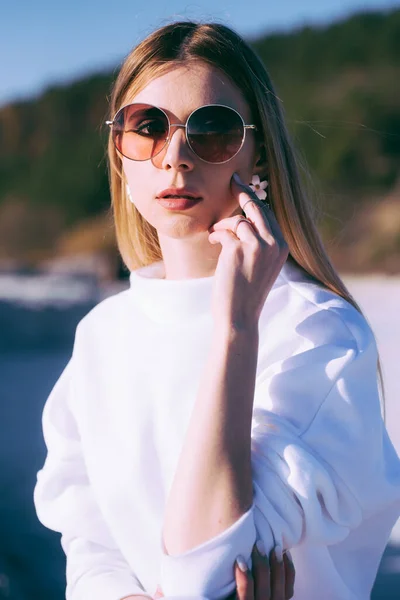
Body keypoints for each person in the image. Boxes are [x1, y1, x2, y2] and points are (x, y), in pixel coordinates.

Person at [33, 19, 400, 600]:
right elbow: (88, 533)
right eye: (146, 128)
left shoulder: (320, 336)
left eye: (211, 130)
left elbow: (205, 574)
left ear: (259, 156)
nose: (175, 157)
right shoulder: (103, 334)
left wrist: (234, 329)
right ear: (120, 157)